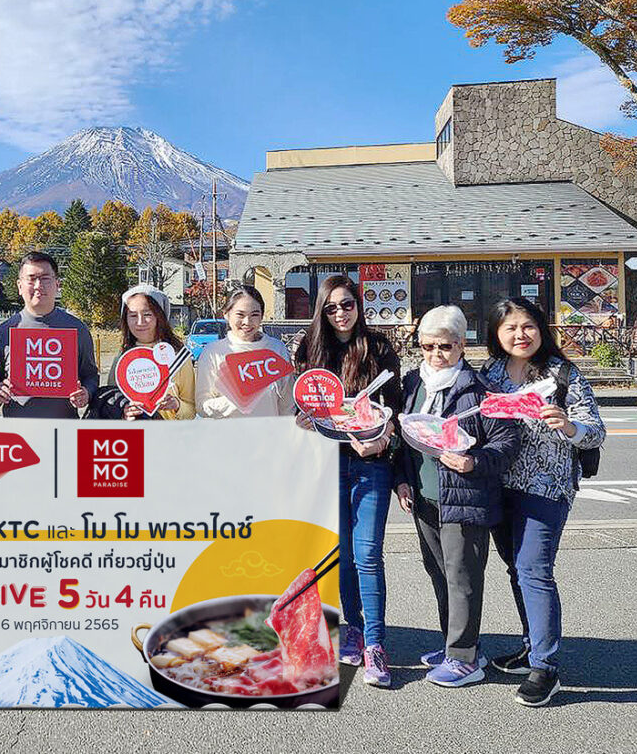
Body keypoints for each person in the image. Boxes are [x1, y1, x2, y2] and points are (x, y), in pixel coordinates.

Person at [481, 297, 605, 707]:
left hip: (547, 487)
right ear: (496, 334)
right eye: (510, 328)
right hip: (499, 486)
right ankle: (530, 646)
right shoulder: (490, 372)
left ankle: (545, 667)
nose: (520, 334)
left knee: (534, 570)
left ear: (541, 328)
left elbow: (596, 430)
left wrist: (568, 425)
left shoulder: (562, 373)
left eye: (528, 326)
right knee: (516, 569)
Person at [394, 305, 518, 688]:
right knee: (438, 572)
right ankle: (456, 644)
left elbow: (507, 442)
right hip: (424, 497)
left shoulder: (482, 390)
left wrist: (474, 462)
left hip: (465, 498)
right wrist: (402, 481)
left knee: (463, 578)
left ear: (462, 344)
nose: (436, 354)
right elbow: (404, 440)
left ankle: (465, 658)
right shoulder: (413, 383)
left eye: (445, 346)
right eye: (428, 346)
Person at [293, 274, 403, 687]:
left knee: (368, 554)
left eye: (347, 304)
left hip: (371, 464)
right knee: (342, 556)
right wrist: (302, 421)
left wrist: (380, 438)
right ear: (321, 312)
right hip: (327, 466)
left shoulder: (378, 348)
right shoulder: (308, 350)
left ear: (358, 305)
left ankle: (376, 644)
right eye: (331, 308)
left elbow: (393, 410)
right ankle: (352, 628)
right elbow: (302, 407)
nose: (340, 313)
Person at [0, 251, 99, 418]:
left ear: (57, 284)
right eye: (31, 279)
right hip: (17, 431)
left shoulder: (77, 329)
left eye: (45, 278)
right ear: (20, 286)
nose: (38, 285)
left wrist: (86, 393)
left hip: (64, 430)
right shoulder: (2, 332)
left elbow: (91, 376)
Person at [195, 284, 293, 418]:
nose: (247, 322)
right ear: (226, 314)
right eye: (240, 314)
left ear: (262, 316)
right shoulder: (213, 352)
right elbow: (202, 406)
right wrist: (237, 400)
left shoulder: (277, 348)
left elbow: (288, 405)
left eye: (254, 315)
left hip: (269, 430)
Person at [101, 284, 194, 421]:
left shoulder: (178, 357)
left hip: (170, 433)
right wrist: (123, 413)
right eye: (133, 315)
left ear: (160, 316)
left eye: (147, 314)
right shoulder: (122, 359)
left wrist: (177, 405)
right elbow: (111, 402)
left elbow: (191, 411)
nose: (140, 322)